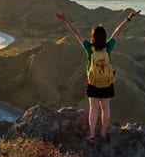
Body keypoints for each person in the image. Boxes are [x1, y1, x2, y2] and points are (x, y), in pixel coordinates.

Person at [55, 9, 140, 144]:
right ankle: (103, 133)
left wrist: (65, 20)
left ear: (93, 37)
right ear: (104, 37)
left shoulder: (89, 48)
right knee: (106, 108)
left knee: (93, 109)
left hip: (93, 83)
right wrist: (129, 18)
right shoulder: (109, 47)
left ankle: (92, 135)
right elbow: (118, 31)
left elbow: (76, 33)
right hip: (107, 83)